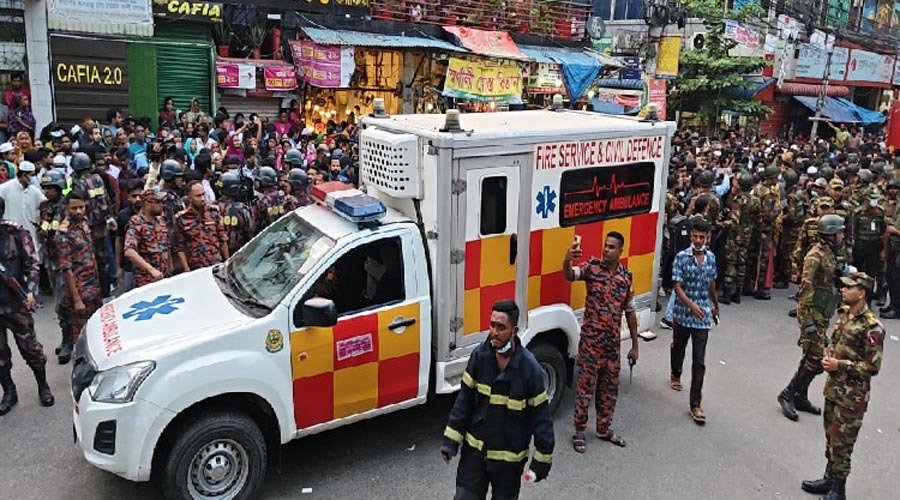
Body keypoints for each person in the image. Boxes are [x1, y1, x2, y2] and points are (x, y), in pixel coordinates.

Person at [440, 300, 554, 499]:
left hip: (508, 463)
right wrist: (450, 442)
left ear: (514, 331)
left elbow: (541, 418)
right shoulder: (480, 357)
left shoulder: (529, 369)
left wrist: (541, 462)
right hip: (475, 456)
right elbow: (464, 402)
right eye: (492, 325)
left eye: (501, 327)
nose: (494, 332)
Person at [801, 272, 884, 500]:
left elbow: (872, 366)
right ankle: (829, 479)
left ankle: (839, 490)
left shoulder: (872, 327)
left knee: (842, 444)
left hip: (852, 397)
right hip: (834, 388)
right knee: (831, 437)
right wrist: (829, 355)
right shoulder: (844, 314)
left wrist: (840, 364)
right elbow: (837, 341)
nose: (843, 290)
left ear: (862, 293)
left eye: (849, 287)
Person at [564, 231, 639, 452]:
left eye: (611, 247)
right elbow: (570, 275)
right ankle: (579, 431)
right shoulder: (592, 268)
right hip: (590, 344)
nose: (606, 249)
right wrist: (567, 259)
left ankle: (604, 429)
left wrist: (635, 345)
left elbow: (630, 312)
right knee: (585, 388)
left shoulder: (625, 277)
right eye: (605, 245)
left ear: (620, 251)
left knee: (609, 390)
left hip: (612, 346)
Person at [777, 214, 844, 421]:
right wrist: (807, 322)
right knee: (815, 359)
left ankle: (800, 395)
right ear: (831, 234)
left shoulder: (829, 253)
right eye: (839, 232)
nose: (842, 236)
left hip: (823, 313)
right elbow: (805, 291)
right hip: (812, 313)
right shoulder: (815, 256)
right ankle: (787, 394)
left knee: (811, 358)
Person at [0, 196, 53, 415]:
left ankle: (43, 386)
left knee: (31, 350)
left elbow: (32, 263)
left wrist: (31, 291)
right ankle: (9, 392)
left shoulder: (14, 232)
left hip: (16, 303)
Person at [669, 218, 718, 425]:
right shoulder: (681, 257)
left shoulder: (711, 258)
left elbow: (711, 282)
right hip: (683, 314)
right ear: (691, 236)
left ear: (707, 238)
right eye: (695, 236)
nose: (698, 240)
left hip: (702, 317)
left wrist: (715, 305)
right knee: (678, 347)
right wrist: (690, 305)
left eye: (702, 237)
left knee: (699, 361)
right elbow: (677, 286)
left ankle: (695, 405)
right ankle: (675, 374)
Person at [54, 189, 102, 365]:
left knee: (96, 330)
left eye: (82, 207)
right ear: (66, 209)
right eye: (74, 208)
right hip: (79, 290)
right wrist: (76, 299)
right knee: (81, 337)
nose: (79, 211)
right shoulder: (63, 234)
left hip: (93, 286)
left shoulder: (85, 224)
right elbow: (66, 269)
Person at [69, 152, 115, 298]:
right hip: (102, 223)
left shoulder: (78, 184)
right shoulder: (98, 179)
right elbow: (107, 199)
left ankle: (94, 292)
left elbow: (73, 203)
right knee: (103, 259)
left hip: (87, 226)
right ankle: (106, 292)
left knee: (88, 260)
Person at [173, 181, 228, 271]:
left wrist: (227, 262)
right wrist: (186, 268)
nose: (202, 199)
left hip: (215, 264)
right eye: (198, 196)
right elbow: (179, 247)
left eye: (203, 194)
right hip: (196, 268)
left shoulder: (213, 212)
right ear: (189, 198)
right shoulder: (182, 218)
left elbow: (222, 239)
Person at [125, 190, 173, 289]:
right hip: (147, 280)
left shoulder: (161, 221)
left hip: (164, 276)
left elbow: (166, 245)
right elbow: (129, 251)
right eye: (158, 202)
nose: (162, 205)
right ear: (147, 204)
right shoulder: (137, 222)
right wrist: (151, 270)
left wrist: (170, 265)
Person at [115, 180, 143, 295]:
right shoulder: (123, 216)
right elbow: (119, 240)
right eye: (134, 196)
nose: (138, 199)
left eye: (140, 195)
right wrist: (118, 267)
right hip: (130, 265)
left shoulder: (151, 213)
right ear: (128, 197)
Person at [217, 172, 254, 254]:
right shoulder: (242, 210)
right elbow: (250, 232)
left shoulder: (212, 208)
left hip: (219, 252)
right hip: (239, 253)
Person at [253, 166, 286, 231]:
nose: (255, 182)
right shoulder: (283, 196)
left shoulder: (260, 201)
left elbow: (255, 226)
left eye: (257, 180)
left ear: (264, 182)